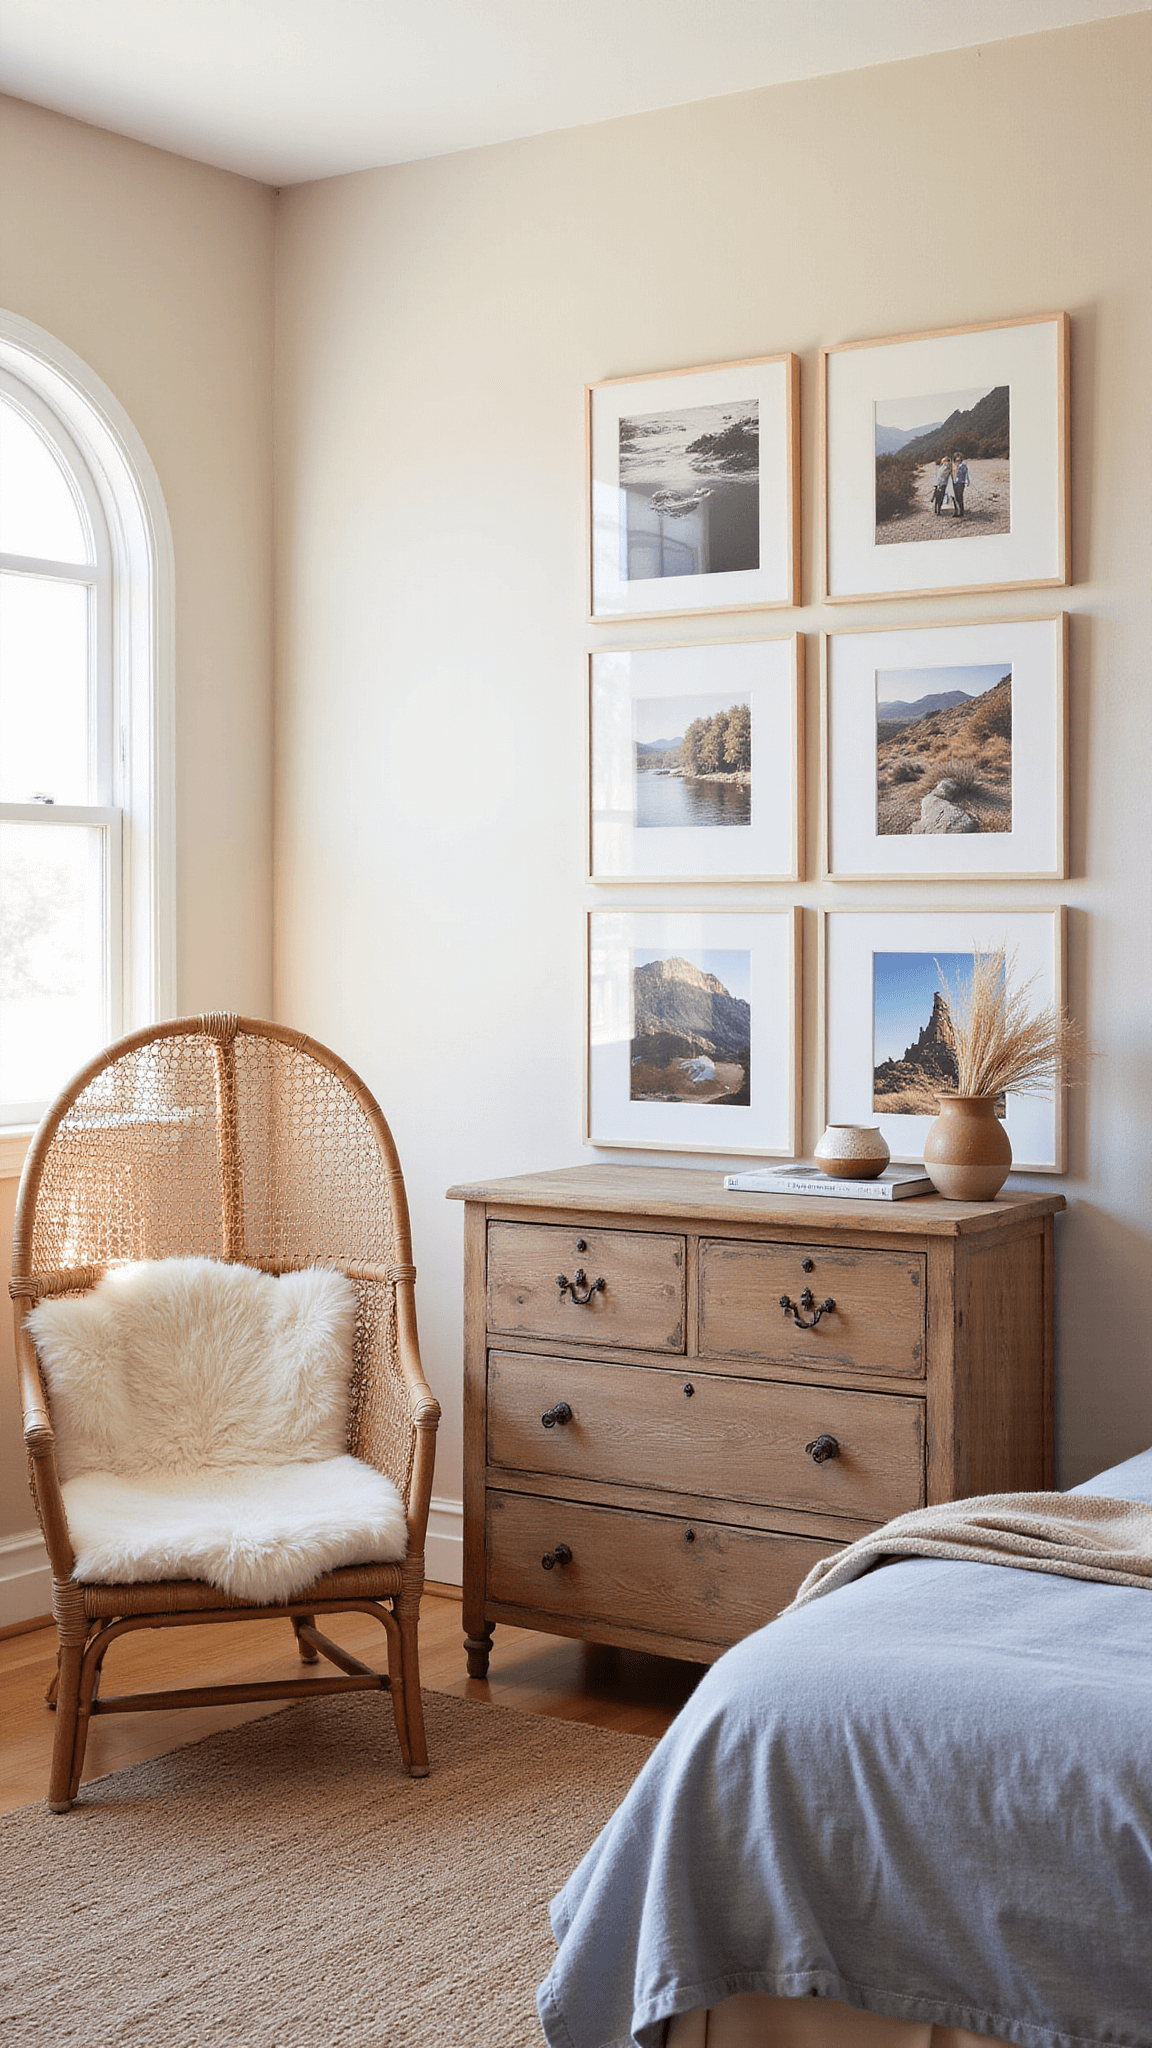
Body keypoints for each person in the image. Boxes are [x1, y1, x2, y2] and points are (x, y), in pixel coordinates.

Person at [951, 452, 970, 517]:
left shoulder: (963, 465)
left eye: (959, 456)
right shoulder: (953, 465)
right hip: (954, 482)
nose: (958, 458)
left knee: (959, 497)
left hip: (961, 482)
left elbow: (966, 473)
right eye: (956, 457)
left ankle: (961, 512)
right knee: (954, 497)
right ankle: (956, 511)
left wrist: (968, 481)